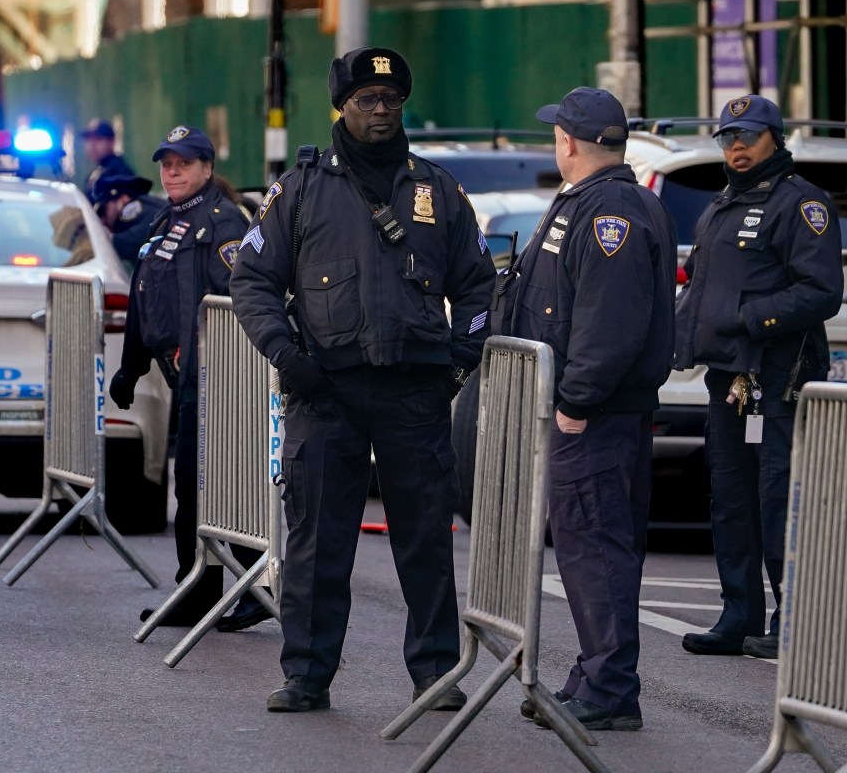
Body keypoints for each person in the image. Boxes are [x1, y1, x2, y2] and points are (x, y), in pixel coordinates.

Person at [230, 47, 495, 713]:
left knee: (426, 539)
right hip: (327, 394)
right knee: (317, 542)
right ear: (341, 108)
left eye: (391, 100)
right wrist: (286, 355)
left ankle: (437, 672)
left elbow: (477, 283)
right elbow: (253, 281)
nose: (380, 112)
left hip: (415, 391)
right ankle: (307, 675)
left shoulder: (436, 189)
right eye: (366, 101)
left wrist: (462, 357)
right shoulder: (301, 191)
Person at [499, 87, 675, 731]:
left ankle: (609, 688)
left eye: (556, 133)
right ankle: (597, 673)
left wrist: (576, 400)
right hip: (591, 410)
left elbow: (611, 321)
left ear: (569, 140)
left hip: (595, 415)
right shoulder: (596, 202)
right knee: (590, 548)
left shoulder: (613, 213)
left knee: (596, 546)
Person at [674, 95, 843, 661]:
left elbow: (822, 291)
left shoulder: (801, 204)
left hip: (780, 376)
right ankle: (738, 614)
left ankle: (792, 617)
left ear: (775, 137)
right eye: (727, 138)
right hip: (730, 379)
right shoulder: (723, 202)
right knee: (731, 497)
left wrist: (750, 317)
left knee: (779, 498)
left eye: (747, 136)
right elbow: (702, 281)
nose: (736, 147)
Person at [108, 125, 267, 631]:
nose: (172, 171)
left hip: (223, 378)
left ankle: (251, 590)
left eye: (183, 163)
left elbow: (245, 301)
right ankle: (198, 590)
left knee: (223, 486)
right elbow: (144, 295)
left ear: (206, 167)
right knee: (193, 486)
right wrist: (131, 365)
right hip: (186, 379)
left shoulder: (223, 224)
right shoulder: (168, 219)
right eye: (166, 163)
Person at [88, 171, 168, 265]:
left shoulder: (131, 208)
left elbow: (151, 227)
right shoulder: (148, 203)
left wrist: (111, 240)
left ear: (123, 199)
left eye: (103, 211)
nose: (102, 220)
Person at [81, 118, 135, 194]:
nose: (91, 145)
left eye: (98, 139)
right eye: (88, 139)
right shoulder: (96, 172)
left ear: (112, 142)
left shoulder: (121, 174)